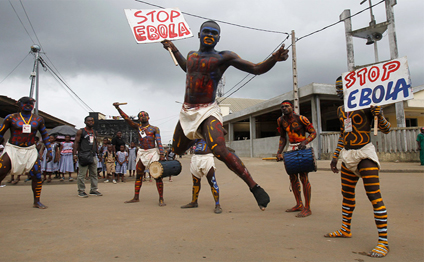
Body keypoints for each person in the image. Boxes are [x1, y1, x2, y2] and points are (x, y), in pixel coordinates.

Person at [161, 20, 289, 210]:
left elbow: (256, 69)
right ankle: (206, 138)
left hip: (208, 110)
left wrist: (273, 59)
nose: (210, 35)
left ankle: (254, 187)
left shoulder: (224, 57)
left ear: (218, 38)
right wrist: (173, 48)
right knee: (178, 150)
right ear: (198, 34)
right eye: (207, 31)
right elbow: (188, 68)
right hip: (187, 111)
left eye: (214, 33)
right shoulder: (191, 56)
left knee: (219, 151)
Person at [325, 76, 391, 258]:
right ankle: (345, 229)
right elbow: (343, 134)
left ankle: (383, 242)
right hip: (347, 155)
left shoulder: (369, 105)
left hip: (364, 154)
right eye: (337, 88)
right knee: (347, 195)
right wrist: (335, 156)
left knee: (374, 196)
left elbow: (386, 129)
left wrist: (379, 115)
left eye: (342, 88)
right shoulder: (341, 110)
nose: (339, 91)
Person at [0, 96, 52, 208]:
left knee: (37, 175)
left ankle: (36, 201)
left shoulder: (38, 119)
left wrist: (49, 149)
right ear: (18, 104)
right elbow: (1, 132)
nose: (28, 105)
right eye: (25, 103)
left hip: (30, 150)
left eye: (31, 103)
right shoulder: (11, 118)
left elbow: (45, 135)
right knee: (1, 171)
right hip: (12, 148)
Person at [113, 104, 166, 206]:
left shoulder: (154, 129)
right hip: (142, 152)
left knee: (158, 176)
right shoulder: (138, 127)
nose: (143, 116)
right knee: (139, 175)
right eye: (140, 115)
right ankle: (136, 197)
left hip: (152, 152)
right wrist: (118, 108)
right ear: (138, 118)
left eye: (144, 115)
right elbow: (126, 118)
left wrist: (162, 153)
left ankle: (161, 198)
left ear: (148, 117)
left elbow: (159, 141)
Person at [276, 100, 316, 218]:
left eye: (286, 106)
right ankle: (299, 204)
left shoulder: (301, 119)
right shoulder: (280, 121)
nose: (284, 108)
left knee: (304, 178)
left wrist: (305, 142)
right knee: (293, 178)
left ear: (292, 107)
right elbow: (283, 137)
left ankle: (307, 208)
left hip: (302, 147)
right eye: (282, 107)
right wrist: (279, 152)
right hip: (291, 148)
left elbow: (313, 133)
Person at [181, 139, 222, 214]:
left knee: (212, 181)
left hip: (207, 157)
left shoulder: (211, 133)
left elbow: (223, 132)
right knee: (195, 182)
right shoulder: (197, 136)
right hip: (196, 158)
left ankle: (217, 204)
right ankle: (194, 202)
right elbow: (188, 143)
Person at [73, 116, 102, 198]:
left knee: (94, 174)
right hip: (84, 155)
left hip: (93, 155)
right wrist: (75, 154)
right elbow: (76, 143)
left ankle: (93, 190)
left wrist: (98, 154)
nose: (90, 122)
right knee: (82, 174)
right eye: (89, 121)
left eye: (92, 121)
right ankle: (81, 191)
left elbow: (96, 143)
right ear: (85, 122)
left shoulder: (94, 132)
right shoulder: (81, 131)